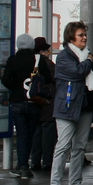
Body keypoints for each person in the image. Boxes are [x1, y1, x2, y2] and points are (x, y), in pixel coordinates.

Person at [49, 21, 93, 185]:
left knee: (80, 147)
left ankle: (75, 184)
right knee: (63, 145)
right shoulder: (65, 56)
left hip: (85, 106)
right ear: (71, 37)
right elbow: (77, 72)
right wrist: (89, 61)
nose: (84, 38)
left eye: (85, 35)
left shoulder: (88, 56)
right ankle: (55, 184)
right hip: (67, 106)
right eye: (80, 35)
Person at [1, 33, 41, 179]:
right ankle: (24, 164)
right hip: (34, 102)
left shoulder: (13, 60)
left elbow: (5, 80)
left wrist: (16, 88)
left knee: (22, 135)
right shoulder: (37, 60)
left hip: (18, 101)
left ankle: (23, 166)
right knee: (30, 135)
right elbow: (48, 79)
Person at [29, 37, 57, 172]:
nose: (49, 53)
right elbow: (56, 78)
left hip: (34, 102)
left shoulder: (30, 62)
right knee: (48, 135)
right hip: (47, 103)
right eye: (48, 50)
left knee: (36, 134)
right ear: (42, 51)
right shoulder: (47, 63)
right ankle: (47, 162)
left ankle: (35, 161)